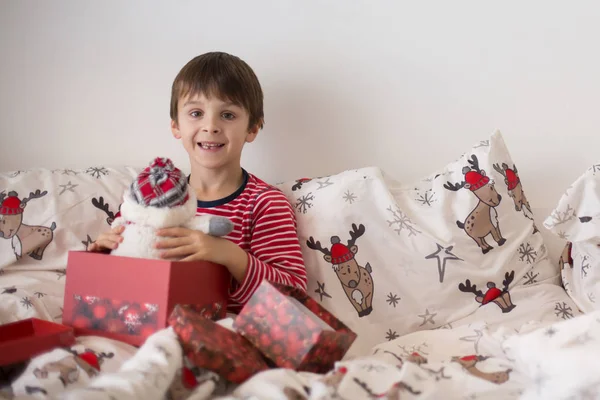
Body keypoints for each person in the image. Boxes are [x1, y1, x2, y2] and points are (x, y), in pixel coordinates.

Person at [88, 52, 307, 313]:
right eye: (196, 113)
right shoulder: (149, 198)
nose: (210, 126)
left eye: (227, 115)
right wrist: (102, 253)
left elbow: (294, 298)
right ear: (175, 126)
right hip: (146, 322)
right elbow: (115, 283)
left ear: (252, 128)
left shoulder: (265, 204)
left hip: (227, 334)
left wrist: (227, 254)